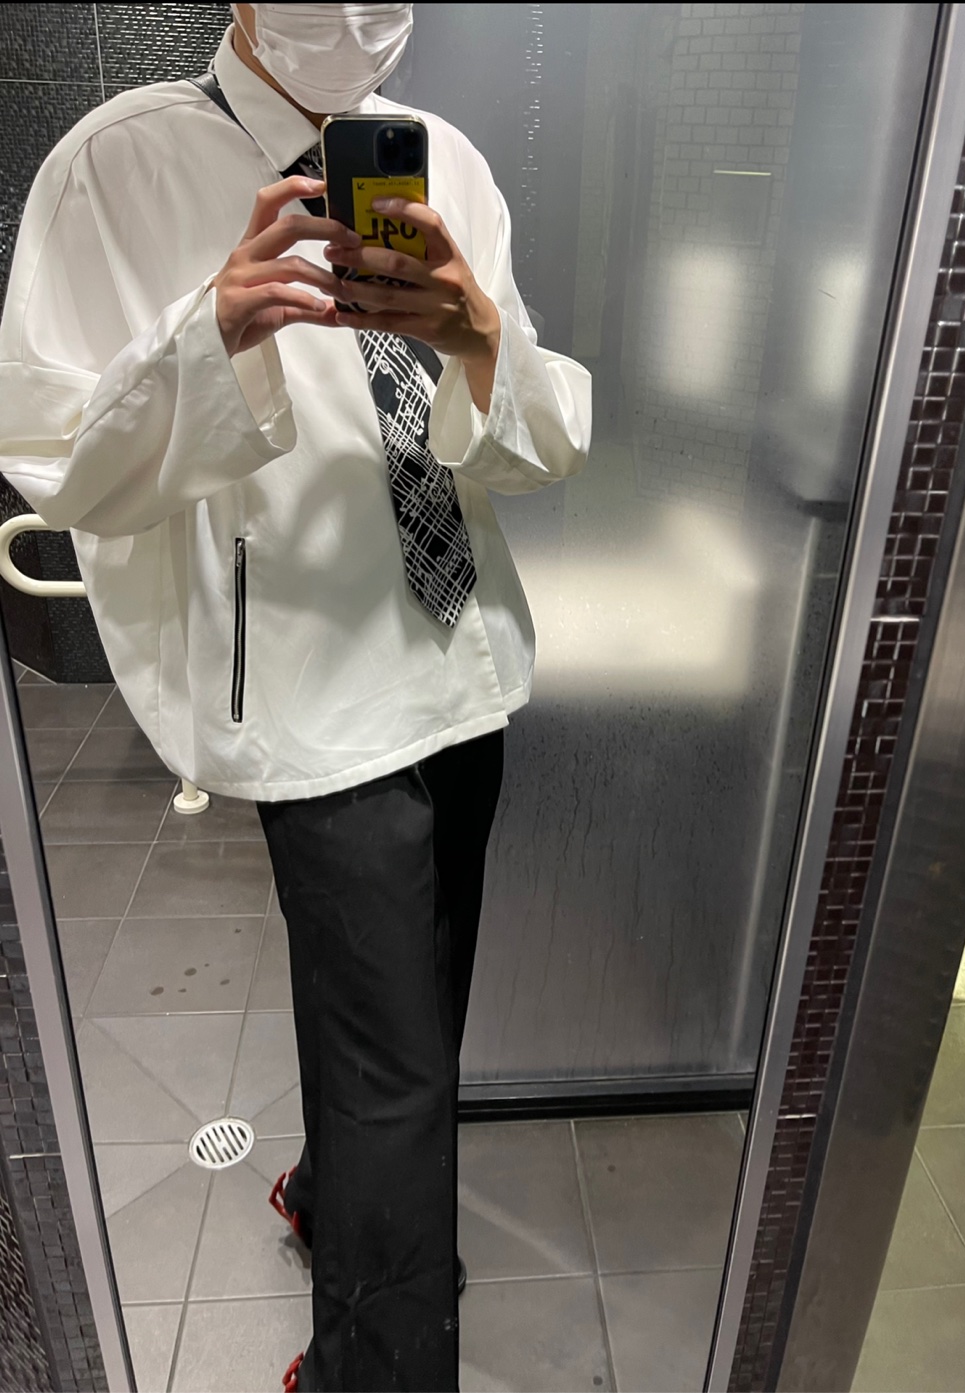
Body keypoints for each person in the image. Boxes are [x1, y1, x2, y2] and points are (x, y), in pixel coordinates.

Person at [0, 3, 591, 1389]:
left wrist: (480, 340)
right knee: (397, 1069)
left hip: (464, 655)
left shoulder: (443, 157)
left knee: (421, 1007)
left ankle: (336, 1194)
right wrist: (208, 335)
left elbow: (532, 446)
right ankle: (372, 1364)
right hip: (313, 694)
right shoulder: (117, 166)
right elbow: (57, 463)